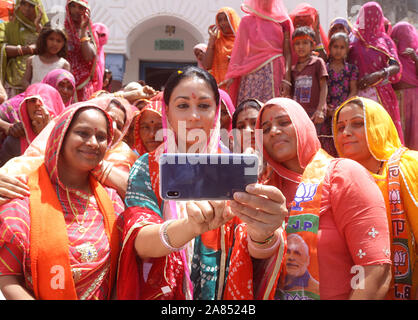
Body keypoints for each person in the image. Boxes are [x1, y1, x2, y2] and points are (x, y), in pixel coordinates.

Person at [117, 66, 287, 300]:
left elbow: (254, 247)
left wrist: (264, 232)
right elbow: (139, 241)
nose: (194, 116)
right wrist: (191, 227)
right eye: (183, 105)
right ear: (167, 113)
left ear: (217, 112)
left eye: (204, 106)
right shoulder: (149, 167)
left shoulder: (234, 168)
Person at [254, 97, 392, 299]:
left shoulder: (343, 174)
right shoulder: (265, 192)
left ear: (303, 125)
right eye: (265, 129)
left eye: (284, 122)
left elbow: (376, 270)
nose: (274, 131)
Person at [0, 103, 124, 300]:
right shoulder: (23, 198)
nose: (93, 142)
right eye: (83, 133)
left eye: (101, 137)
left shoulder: (113, 202)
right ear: (61, 136)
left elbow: (120, 274)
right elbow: (8, 278)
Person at [333, 97, 418, 300]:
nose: (346, 133)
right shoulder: (335, 177)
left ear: (378, 125)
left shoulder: (408, 165)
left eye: (357, 124)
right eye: (340, 127)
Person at [348, 2, 403, 142]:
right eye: (367, 15)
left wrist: (378, 74)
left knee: (381, 132)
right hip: (357, 92)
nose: (370, 18)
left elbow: (395, 65)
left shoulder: (385, 40)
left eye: (374, 15)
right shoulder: (352, 38)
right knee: (360, 132)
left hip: (381, 93)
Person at [225, 0, 293, 106]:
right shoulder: (246, 21)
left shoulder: (283, 21)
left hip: (275, 69)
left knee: (273, 107)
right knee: (251, 108)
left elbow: (288, 52)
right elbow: (240, 50)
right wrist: (232, 75)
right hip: (252, 72)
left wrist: (287, 79)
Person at [0, 83, 64, 166]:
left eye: (44, 100)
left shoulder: (64, 139)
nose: (37, 104)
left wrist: (45, 134)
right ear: (25, 106)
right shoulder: (15, 142)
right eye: (32, 100)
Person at [0, 0, 48, 98]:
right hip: (13, 80)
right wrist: (28, 49)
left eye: (31, 5)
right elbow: (1, 48)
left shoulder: (44, 29)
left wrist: (38, 26)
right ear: (18, 5)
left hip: (39, 79)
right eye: (23, 3)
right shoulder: (6, 27)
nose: (26, 8)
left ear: (38, 8)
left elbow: (50, 47)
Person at [325, 32, 358, 157]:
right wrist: (326, 107)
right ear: (330, 48)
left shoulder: (351, 69)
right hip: (327, 112)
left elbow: (353, 90)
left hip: (344, 112)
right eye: (335, 47)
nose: (338, 50)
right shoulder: (324, 68)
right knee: (327, 142)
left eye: (342, 47)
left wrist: (342, 109)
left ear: (347, 50)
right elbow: (321, 88)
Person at [291, 27, 328, 136]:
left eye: (305, 43)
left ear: (312, 45)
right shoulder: (293, 69)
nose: (301, 46)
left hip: (315, 114)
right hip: (299, 114)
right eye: (297, 44)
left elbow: (324, 86)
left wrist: (320, 109)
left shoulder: (317, 63)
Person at [391, 22, 418, 151]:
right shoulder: (392, 54)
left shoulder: (416, 54)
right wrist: (394, 50)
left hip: (415, 99)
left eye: (408, 37)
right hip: (397, 98)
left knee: (414, 133)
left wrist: (416, 59)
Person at [65, 0, 98, 102]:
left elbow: (88, 57)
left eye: (80, 8)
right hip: (63, 84)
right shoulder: (61, 30)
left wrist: (83, 32)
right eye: (73, 6)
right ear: (68, 8)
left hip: (83, 86)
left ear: (86, 11)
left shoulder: (90, 33)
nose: (76, 10)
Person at [202, 7, 240, 90]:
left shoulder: (241, 41)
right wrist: (211, 40)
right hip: (219, 86)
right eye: (220, 20)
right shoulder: (217, 42)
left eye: (226, 19)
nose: (223, 23)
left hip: (236, 85)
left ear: (233, 20)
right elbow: (207, 65)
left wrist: (235, 62)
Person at [92, 22, 109, 92]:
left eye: (102, 35)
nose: (99, 37)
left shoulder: (102, 52)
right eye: (97, 34)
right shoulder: (87, 47)